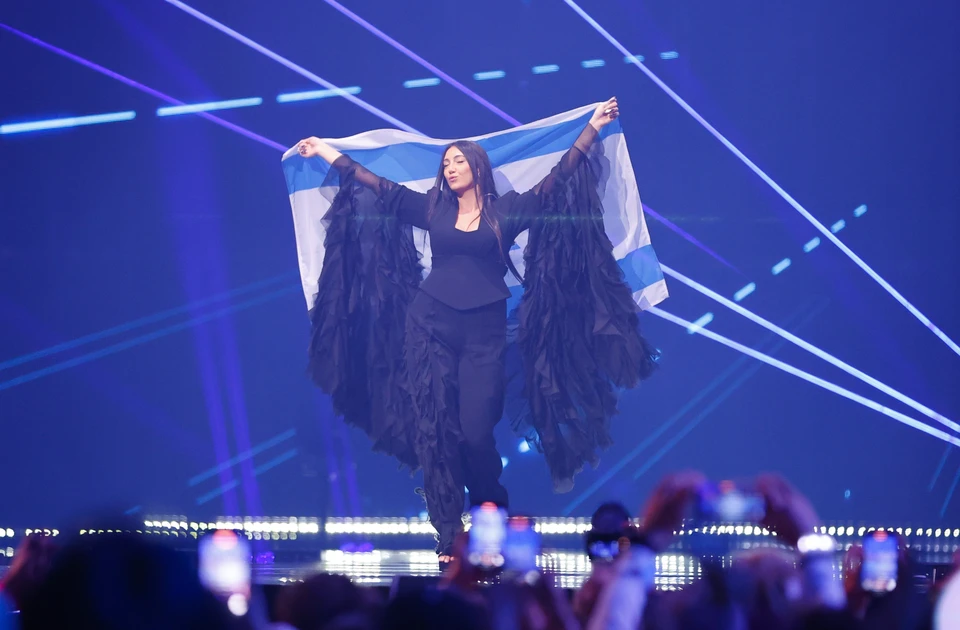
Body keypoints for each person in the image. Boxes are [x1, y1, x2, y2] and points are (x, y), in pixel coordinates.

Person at [297, 98, 659, 559]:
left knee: (475, 432)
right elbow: (373, 182)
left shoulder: (506, 211)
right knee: (436, 430)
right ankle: (448, 533)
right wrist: (324, 150)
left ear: (478, 168)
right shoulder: (431, 208)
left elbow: (558, 179)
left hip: (483, 334)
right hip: (429, 325)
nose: (450, 168)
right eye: (446, 163)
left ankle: (490, 510)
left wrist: (592, 128)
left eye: (458, 161)